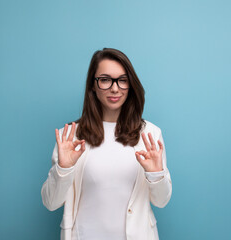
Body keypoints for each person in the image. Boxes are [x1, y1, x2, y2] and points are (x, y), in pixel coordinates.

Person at [41, 48, 172, 240]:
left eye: (123, 80)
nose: (114, 88)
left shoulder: (150, 134)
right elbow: (51, 202)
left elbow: (161, 201)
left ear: (130, 84)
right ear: (92, 85)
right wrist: (64, 168)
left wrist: (155, 174)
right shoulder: (70, 136)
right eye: (105, 79)